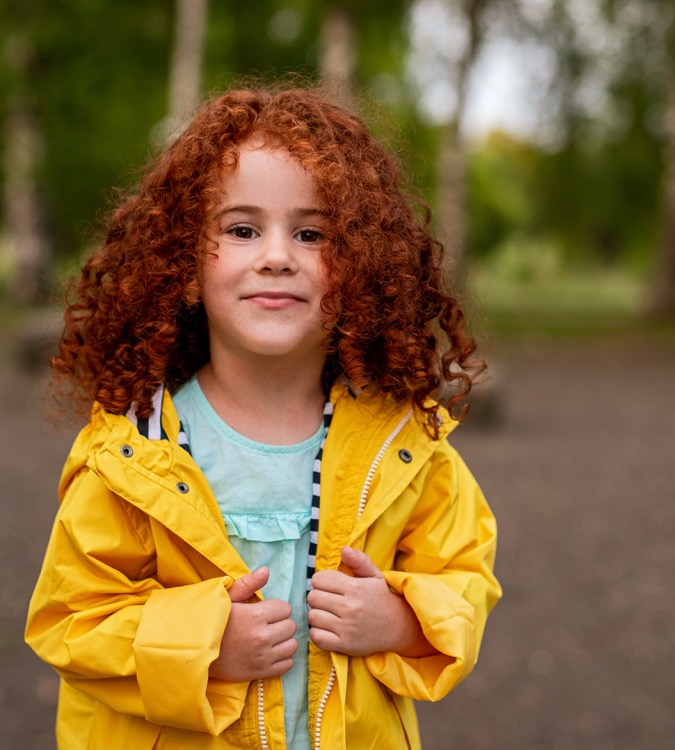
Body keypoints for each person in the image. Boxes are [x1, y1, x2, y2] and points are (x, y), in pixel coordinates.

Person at [25, 85, 501, 750]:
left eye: (311, 233)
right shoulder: (134, 451)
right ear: (184, 265)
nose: (277, 255)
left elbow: (464, 578)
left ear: (360, 267)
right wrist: (205, 646)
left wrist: (401, 620)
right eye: (242, 229)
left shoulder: (404, 447)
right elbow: (71, 618)